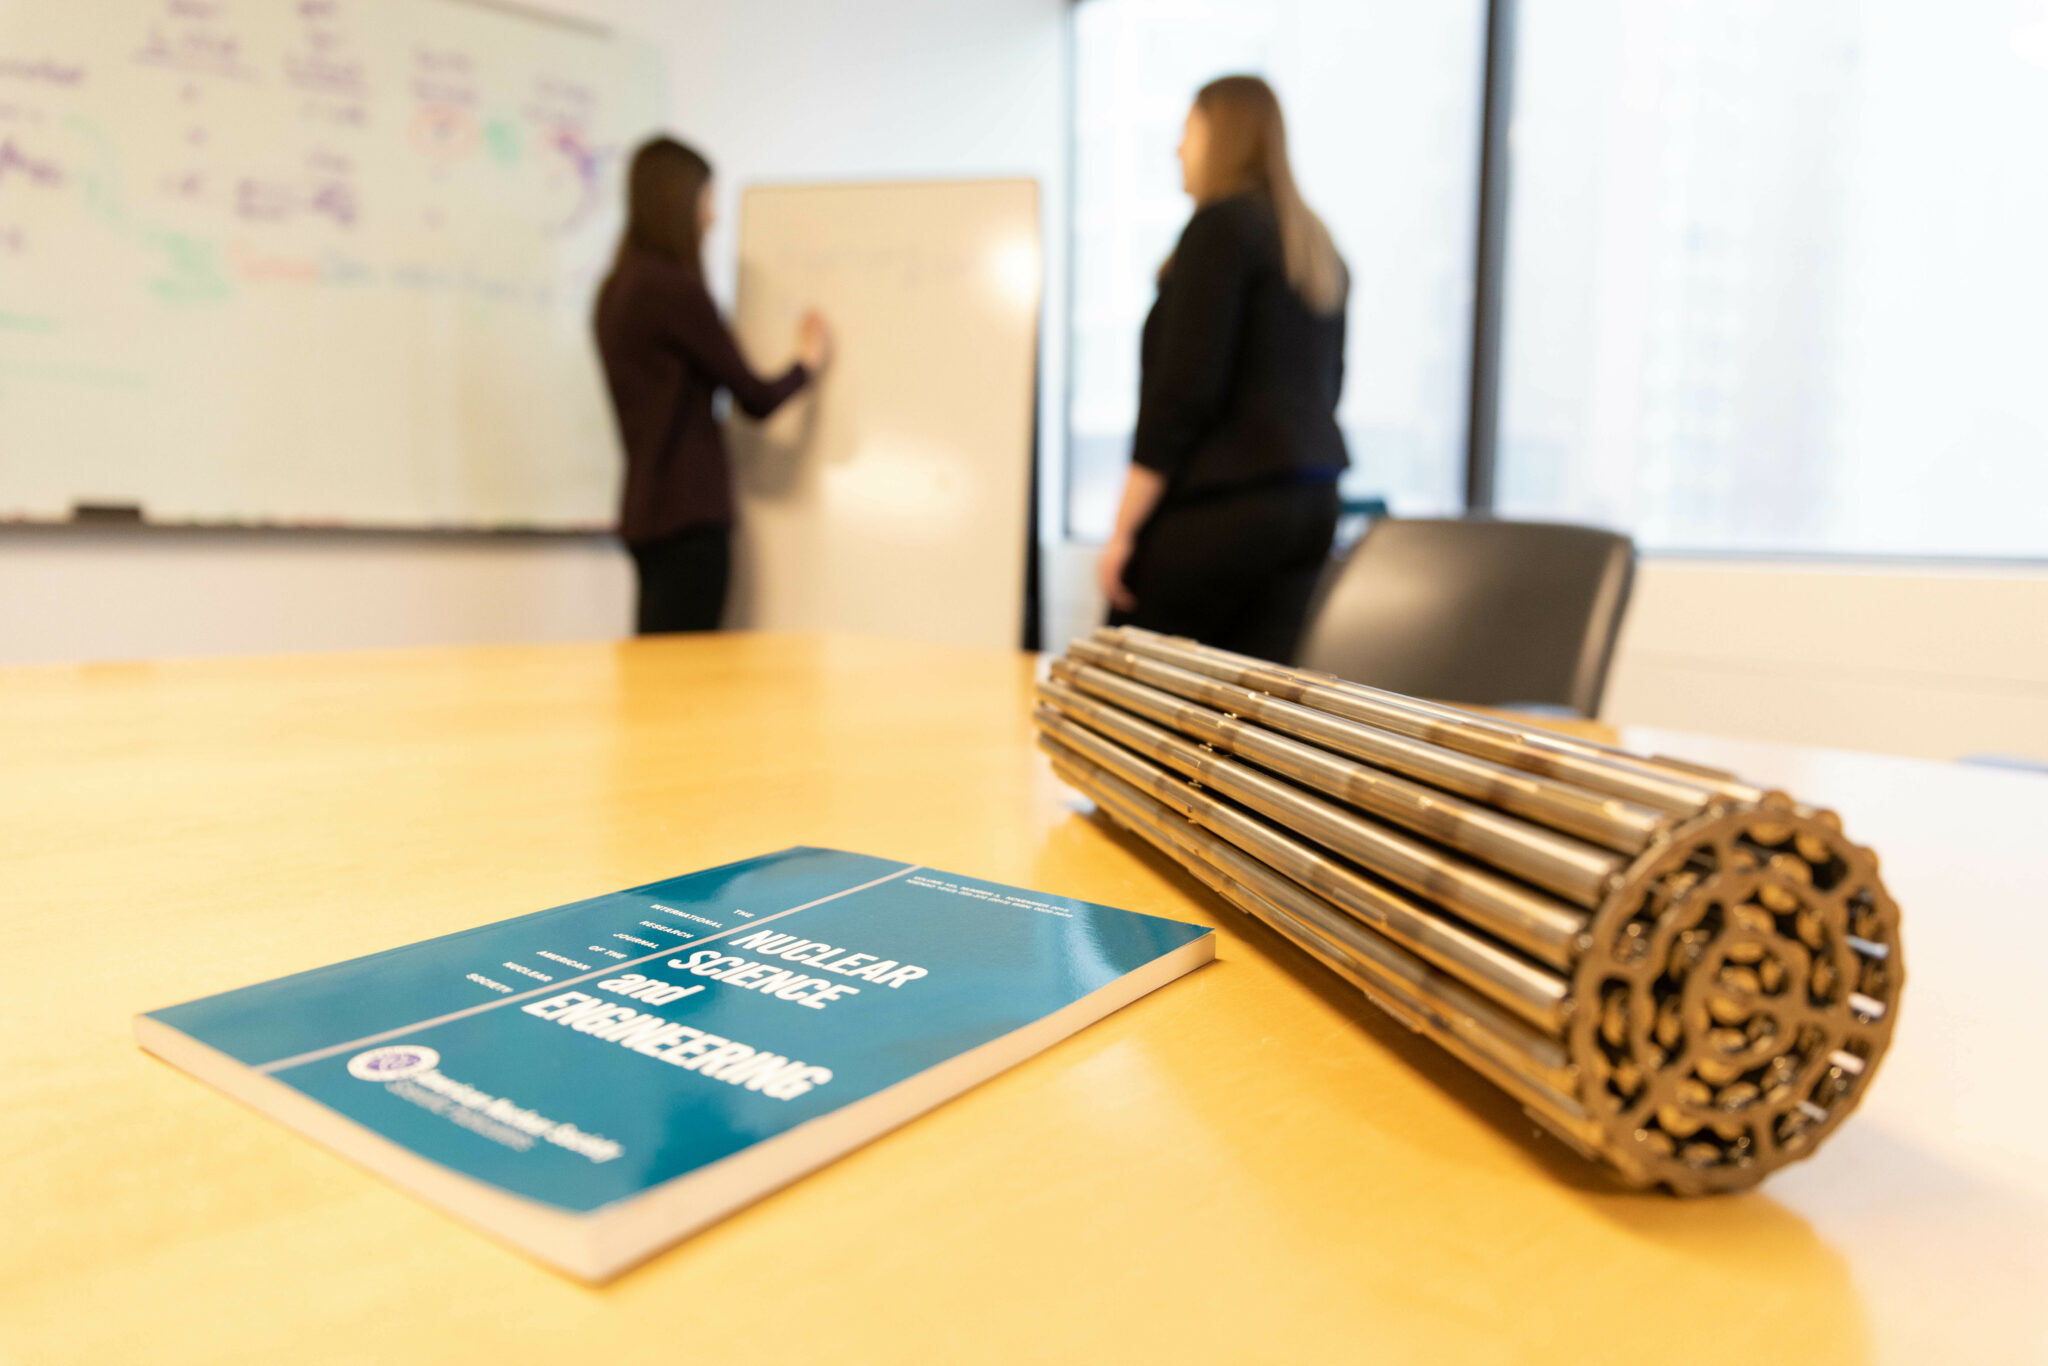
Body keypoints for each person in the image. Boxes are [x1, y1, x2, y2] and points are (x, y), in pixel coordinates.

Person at [1097, 75, 1349, 663]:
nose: (1178, 150)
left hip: (1222, 511)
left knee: (1134, 680)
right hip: (1310, 507)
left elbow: (1182, 395)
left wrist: (1124, 529)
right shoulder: (1312, 241)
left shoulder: (1219, 228)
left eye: (1188, 131)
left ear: (1223, 136)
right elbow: (1329, 385)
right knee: (1259, 703)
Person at [595, 137, 832, 634]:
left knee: (654, 678)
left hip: (645, 514)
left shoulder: (615, 291)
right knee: (686, 684)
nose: (712, 218)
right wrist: (806, 363)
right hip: (689, 520)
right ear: (678, 202)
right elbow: (756, 397)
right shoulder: (674, 290)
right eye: (706, 201)